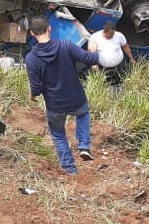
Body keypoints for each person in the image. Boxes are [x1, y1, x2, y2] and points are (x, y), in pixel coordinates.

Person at [25, 15, 101, 175]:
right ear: (49, 28)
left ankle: (70, 169)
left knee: (59, 135)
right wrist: (93, 51)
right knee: (83, 114)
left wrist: (32, 96)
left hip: (55, 105)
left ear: (32, 33)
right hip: (76, 98)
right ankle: (84, 145)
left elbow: (37, 87)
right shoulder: (66, 45)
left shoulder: (31, 58)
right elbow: (89, 59)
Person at [87, 20, 135, 92]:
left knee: (122, 79)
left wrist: (131, 58)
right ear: (105, 31)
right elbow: (90, 52)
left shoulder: (119, 36)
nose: (112, 36)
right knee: (105, 83)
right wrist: (94, 64)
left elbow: (125, 46)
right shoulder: (94, 38)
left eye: (113, 33)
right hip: (103, 68)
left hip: (119, 65)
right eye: (110, 34)